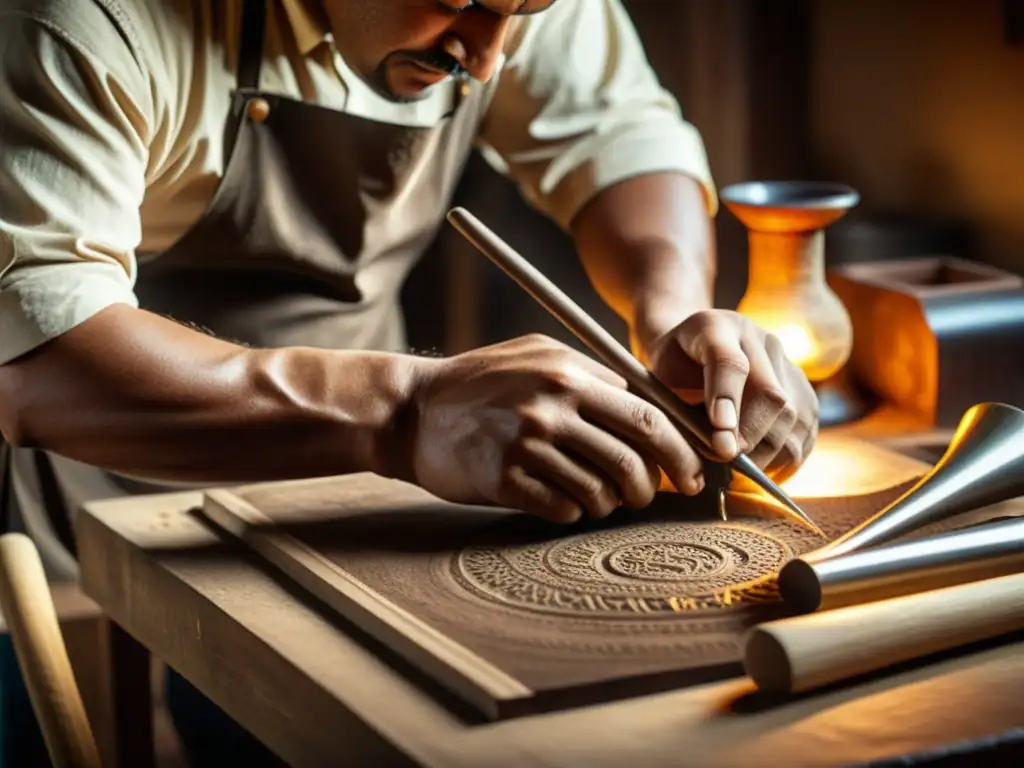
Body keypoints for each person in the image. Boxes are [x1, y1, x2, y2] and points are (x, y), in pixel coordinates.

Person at [0, 0, 819, 764]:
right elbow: (41, 362)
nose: (488, 58)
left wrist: (671, 312)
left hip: (334, 498)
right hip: (74, 490)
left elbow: (620, 138)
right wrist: (404, 410)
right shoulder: (80, 23)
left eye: (519, 15)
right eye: (459, 2)